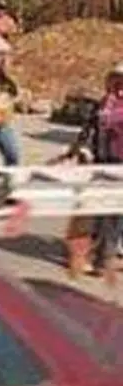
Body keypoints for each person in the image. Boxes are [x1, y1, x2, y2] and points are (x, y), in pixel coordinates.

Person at [56, 62, 123, 284]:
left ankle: (104, 257)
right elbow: (88, 129)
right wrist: (77, 150)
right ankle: (99, 257)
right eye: (115, 79)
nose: (118, 84)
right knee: (101, 211)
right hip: (103, 161)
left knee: (113, 214)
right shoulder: (104, 103)